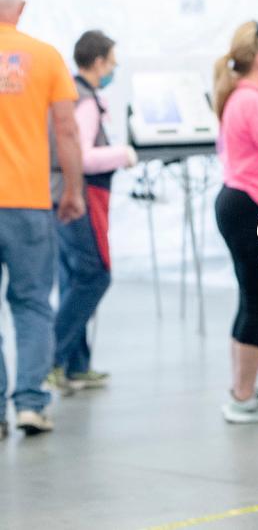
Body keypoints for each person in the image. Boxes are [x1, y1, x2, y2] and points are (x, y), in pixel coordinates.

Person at [0, 0, 85, 439]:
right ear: (22, 7)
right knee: (32, 304)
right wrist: (72, 190)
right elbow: (67, 132)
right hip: (29, 203)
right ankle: (31, 404)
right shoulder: (46, 56)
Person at [47, 30, 138, 394]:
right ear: (98, 61)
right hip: (81, 198)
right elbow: (81, 157)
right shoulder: (84, 101)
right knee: (94, 276)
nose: (113, 69)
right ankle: (51, 359)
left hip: (65, 197)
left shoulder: (74, 94)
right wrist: (124, 154)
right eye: (112, 62)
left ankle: (75, 364)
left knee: (73, 278)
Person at [213, 20, 258, 424]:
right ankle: (242, 396)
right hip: (247, 207)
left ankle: (241, 391)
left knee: (250, 298)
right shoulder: (253, 101)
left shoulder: (239, 97)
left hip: (237, 203)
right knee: (257, 301)